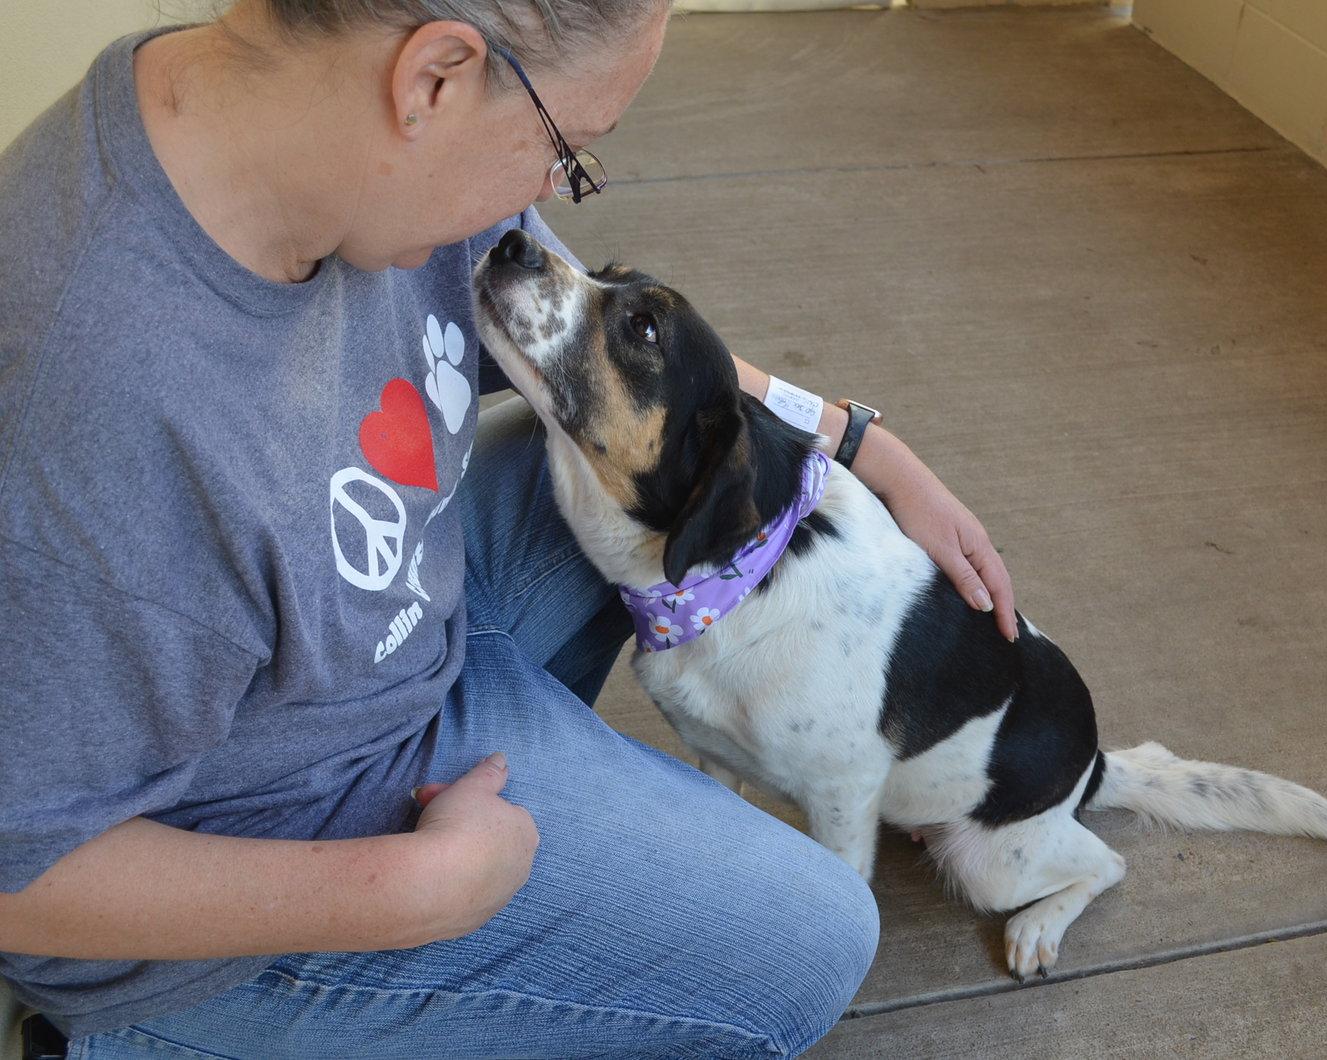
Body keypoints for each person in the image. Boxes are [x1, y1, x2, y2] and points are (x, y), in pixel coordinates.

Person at [0, 0, 1018, 1054]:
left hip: (381, 643)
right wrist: (399, 890)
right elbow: (17, 875)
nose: (550, 191)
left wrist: (853, 442)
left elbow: (623, 366)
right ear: (435, 78)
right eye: (563, 149)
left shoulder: (346, 140)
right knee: (814, 941)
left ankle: (550, 799)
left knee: (610, 457)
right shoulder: (95, 405)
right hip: (260, 864)